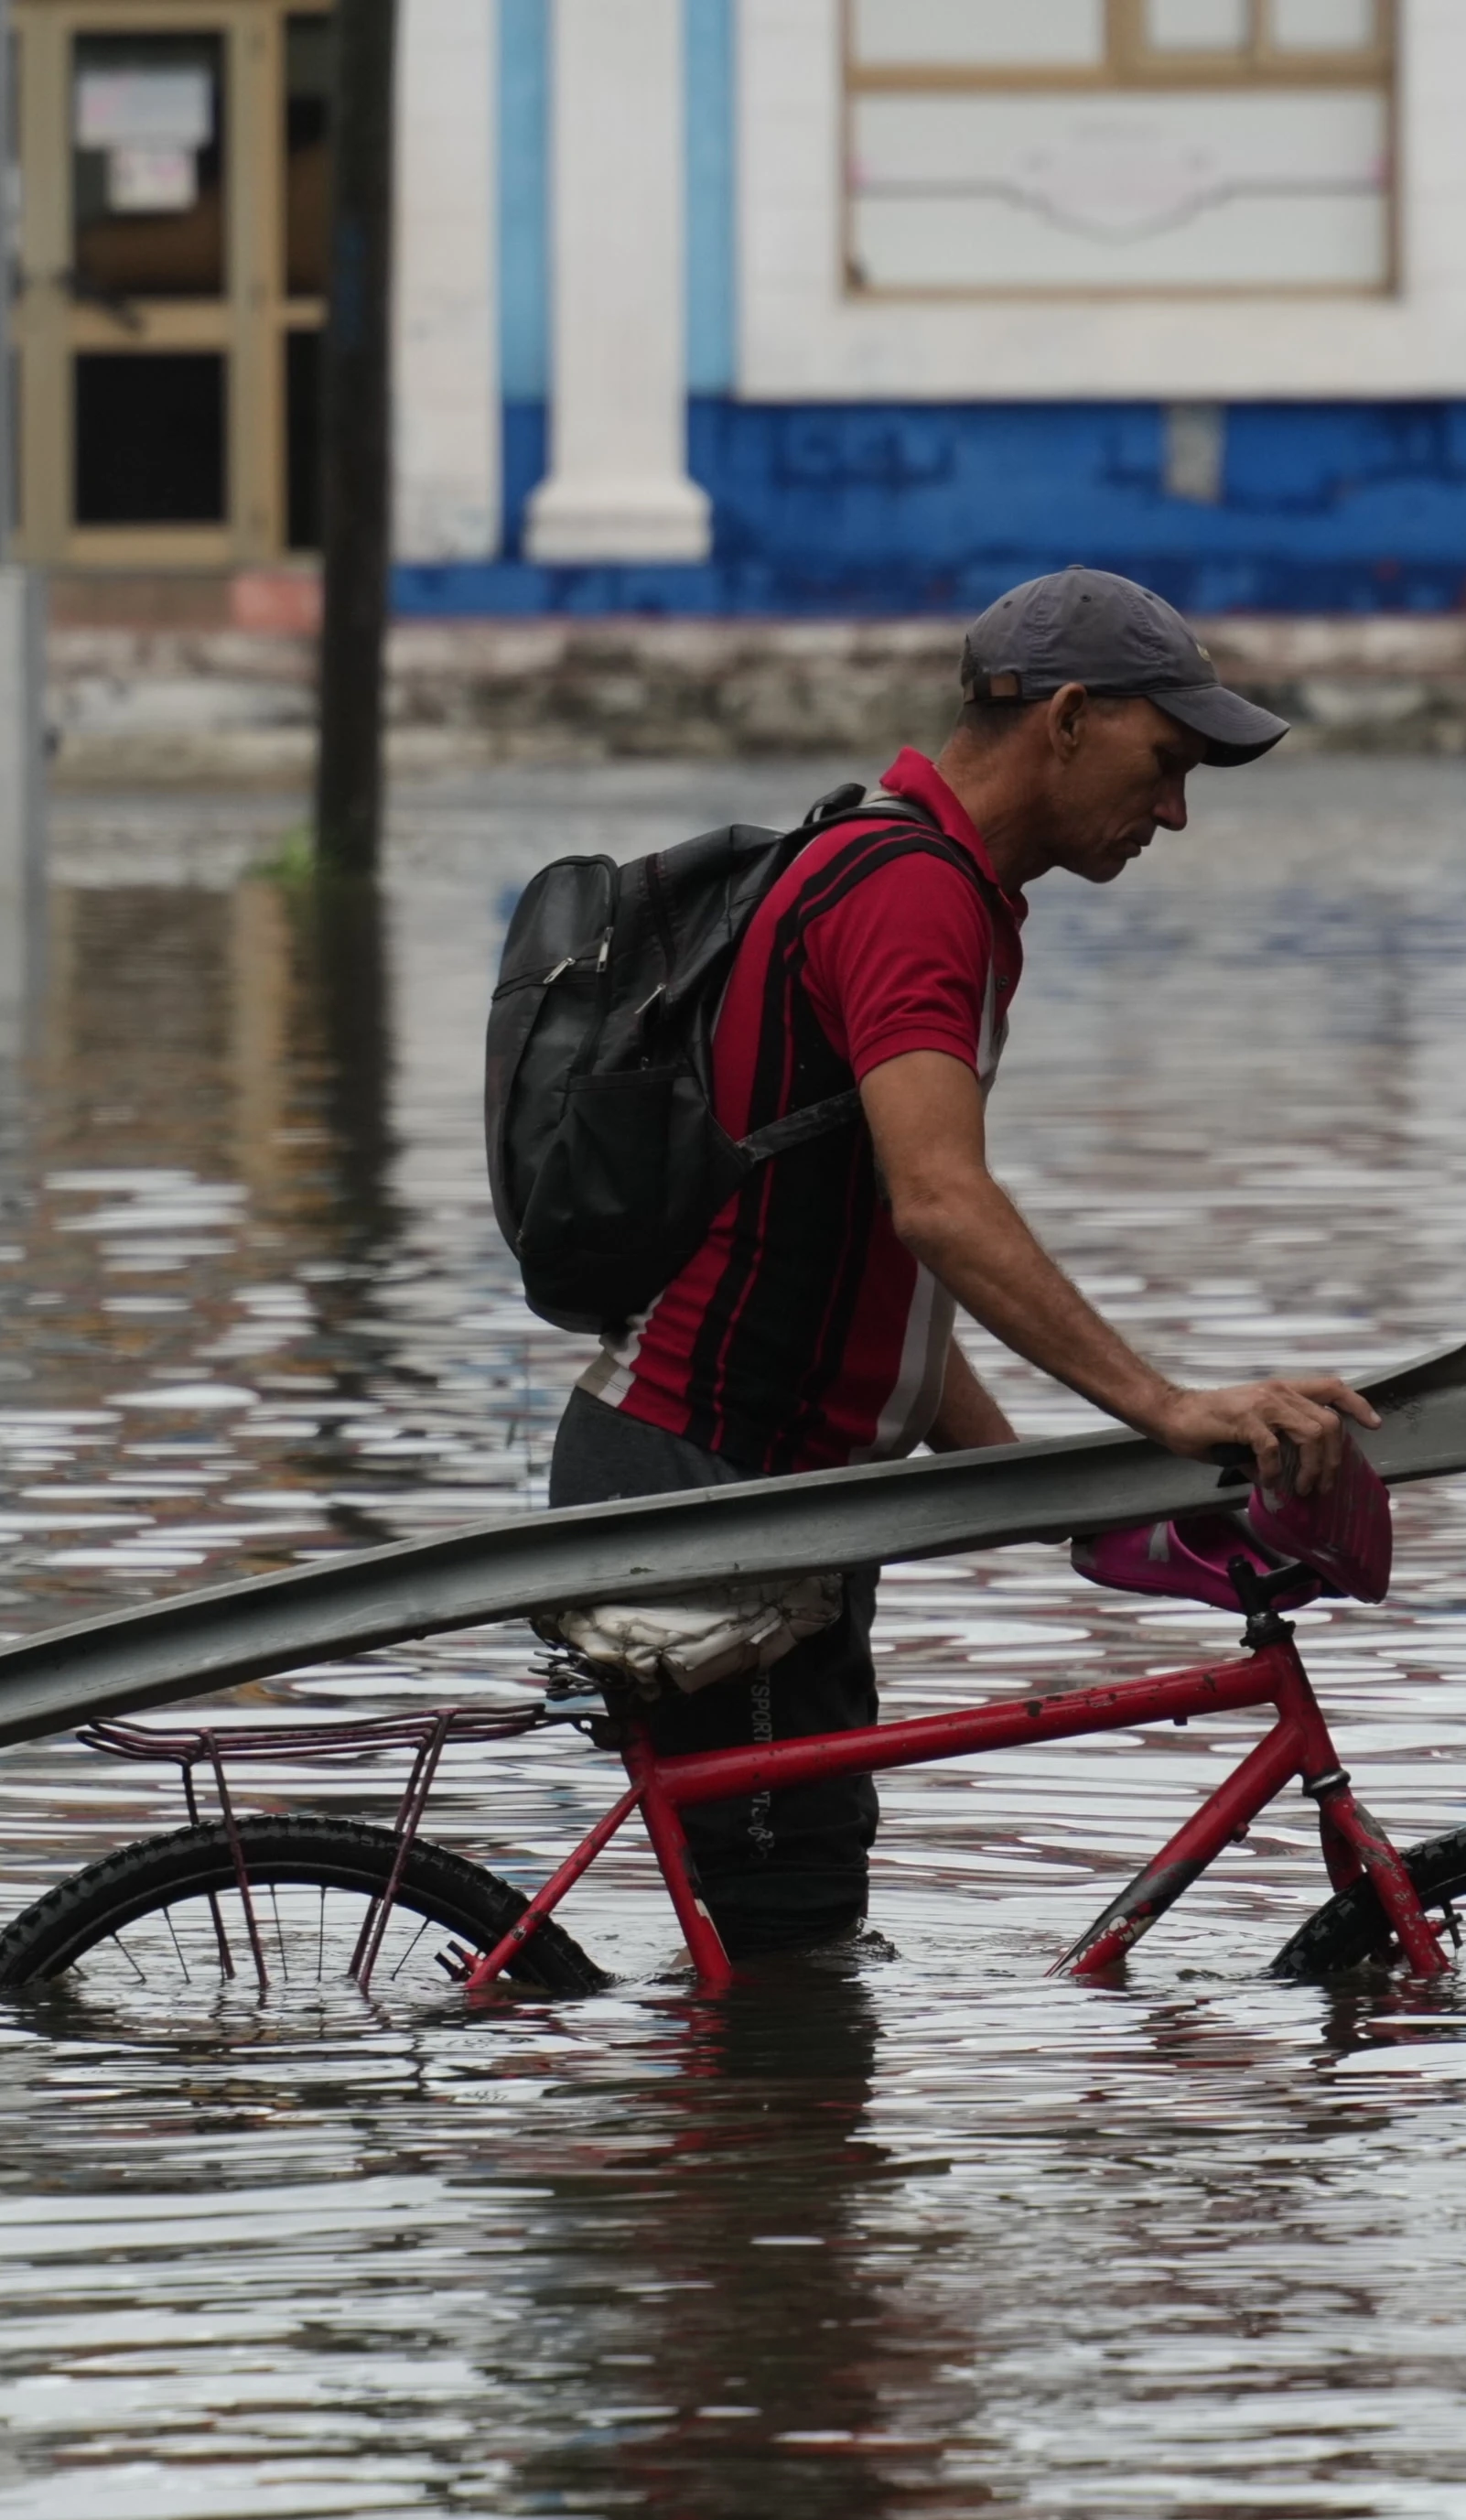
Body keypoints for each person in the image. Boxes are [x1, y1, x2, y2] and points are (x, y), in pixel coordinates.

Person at [548, 565, 1378, 1957]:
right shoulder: (911, 893)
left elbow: (872, 1259)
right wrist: (1165, 1407)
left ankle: (730, 2109)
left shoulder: (902, 866)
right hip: (714, 1480)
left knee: (794, 1962)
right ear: (1068, 717)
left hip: (766, 1484)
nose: (1175, 812)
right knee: (786, 1947)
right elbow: (940, 1203)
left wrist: (1045, 1497)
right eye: (1166, 762)